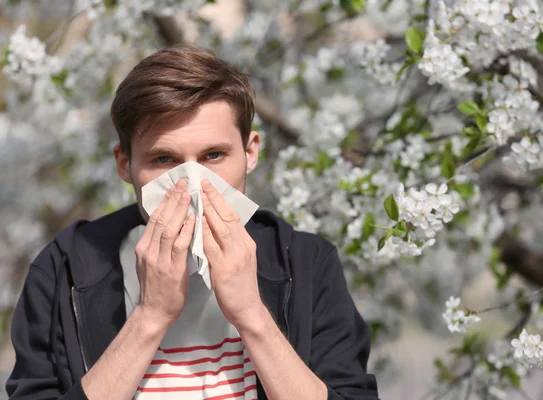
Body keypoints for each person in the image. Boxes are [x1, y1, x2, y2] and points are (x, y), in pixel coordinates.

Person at [5, 45, 379, 400]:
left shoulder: (304, 263)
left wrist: (252, 316)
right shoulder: (67, 268)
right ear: (125, 164)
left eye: (213, 155)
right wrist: (149, 318)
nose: (192, 182)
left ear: (250, 152)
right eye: (164, 160)